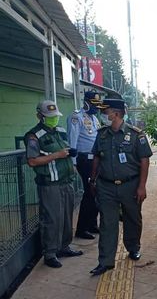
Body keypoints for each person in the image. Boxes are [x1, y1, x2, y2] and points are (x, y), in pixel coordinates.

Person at [89, 97, 153, 276]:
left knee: (132, 219)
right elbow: (96, 157)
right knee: (107, 223)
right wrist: (92, 179)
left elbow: (144, 160)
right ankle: (105, 261)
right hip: (106, 186)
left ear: (116, 114)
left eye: (106, 111)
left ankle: (133, 247)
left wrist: (142, 186)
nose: (103, 115)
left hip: (130, 185)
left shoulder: (136, 134)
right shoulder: (101, 134)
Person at [25, 100, 83, 268]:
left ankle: (64, 246)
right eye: (49, 117)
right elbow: (33, 161)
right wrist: (57, 155)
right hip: (50, 184)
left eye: (55, 116)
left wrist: (70, 154)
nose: (53, 119)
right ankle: (50, 253)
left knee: (66, 216)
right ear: (39, 116)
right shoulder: (33, 136)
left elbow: (64, 150)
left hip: (66, 181)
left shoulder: (61, 131)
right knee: (52, 219)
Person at [67, 91, 104, 240]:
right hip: (84, 160)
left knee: (96, 192)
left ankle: (91, 224)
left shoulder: (94, 118)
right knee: (89, 193)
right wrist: (73, 163)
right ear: (86, 102)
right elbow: (72, 142)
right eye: (94, 104)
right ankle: (81, 229)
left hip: (94, 160)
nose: (96, 108)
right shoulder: (76, 117)